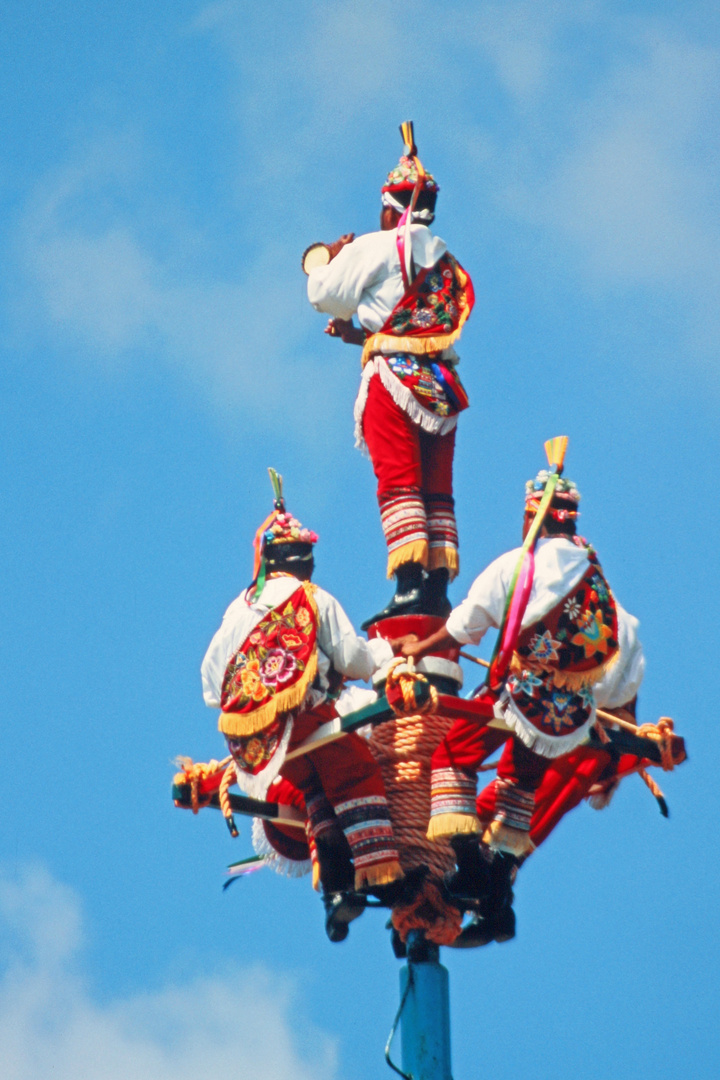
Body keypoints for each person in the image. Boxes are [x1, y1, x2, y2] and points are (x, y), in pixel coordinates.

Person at [402, 467, 621, 917]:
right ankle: (499, 881)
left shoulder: (521, 563)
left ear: (533, 519)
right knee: (520, 782)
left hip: (520, 694)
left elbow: (466, 625)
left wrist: (418, 648)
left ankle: (467, 866)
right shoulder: (592, 567)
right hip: (569, 711)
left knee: (451, 757)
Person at [201, 473, 406, 937]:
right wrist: (388, 656)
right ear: (303, 562)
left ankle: (336, 896)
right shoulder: (313, 598)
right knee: (354, 773)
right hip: (303, 721)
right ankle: (385, 877)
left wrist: (254, 696)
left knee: (318, 794)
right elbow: (353, 659)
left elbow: (211, 684)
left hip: (253, 745)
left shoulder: (238, 608)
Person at [306, 126, 474, 625]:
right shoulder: (446, 262)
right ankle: (438, 587)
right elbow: (414, 328)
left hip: (394, 382)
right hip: (441, 387)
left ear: (390, 207)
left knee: (398, 481)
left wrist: (329, 260)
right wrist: (361, 336)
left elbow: (325, 295)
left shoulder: (381, 244)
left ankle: (408, 583)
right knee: (436, 488)